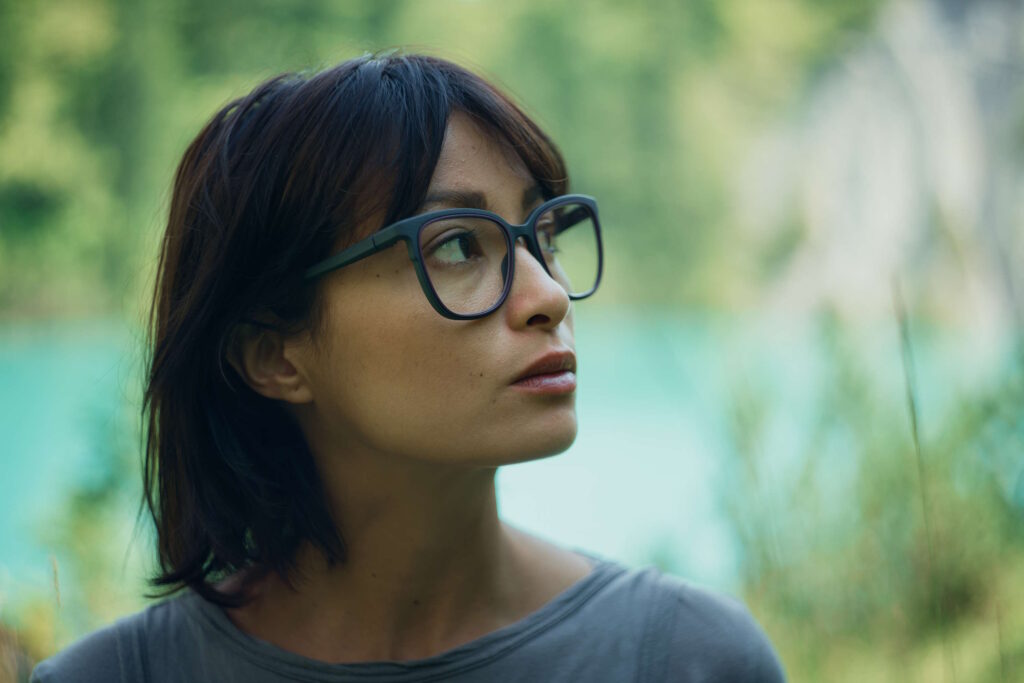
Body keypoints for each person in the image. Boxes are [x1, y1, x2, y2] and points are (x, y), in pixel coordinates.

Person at [31, 52, 785, 682]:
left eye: (542, 235)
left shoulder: (690, 659)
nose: (549, 295)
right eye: (457, 245)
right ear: (273, 353)